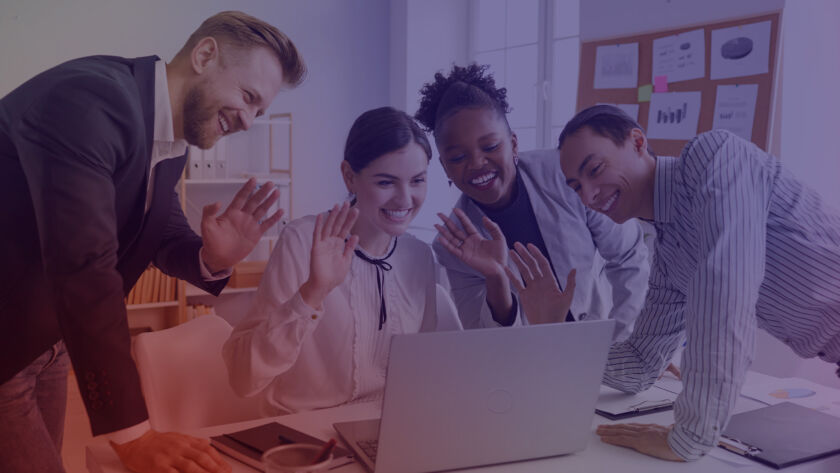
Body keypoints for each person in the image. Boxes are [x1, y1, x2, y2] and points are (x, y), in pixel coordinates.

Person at [0, 11, 306, 473]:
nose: (249, 121)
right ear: (205, 55)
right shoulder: (92, 100)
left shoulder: (170, 136)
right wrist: (134, 436)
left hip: (47, 339)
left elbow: (157, 228)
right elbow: (85, 266)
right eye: (248, 97)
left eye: (260, 111)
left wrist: (210, 257)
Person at [557, 104, 840, 461]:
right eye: (576, 187)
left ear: (637, 141)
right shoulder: (670, 258)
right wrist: (556, 348)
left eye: (595, 170)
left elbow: (724, 292)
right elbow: (641, 363)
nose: (588, 196)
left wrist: (690, 436)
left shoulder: (715, 157)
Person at [223, 107, 462, 414]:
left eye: (417, 181)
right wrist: (312, 293)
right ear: (349, 176)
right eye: (386, 182)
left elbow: (422, 367)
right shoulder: (301, 241)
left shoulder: (419, 256)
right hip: (304, 435)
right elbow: (243, 378)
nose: (405, 199)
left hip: (388, 428)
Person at [415, 64, 649, 339]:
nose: (477, 163)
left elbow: (628, 256)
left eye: (490, 147)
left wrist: (627, 345)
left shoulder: (567, 174)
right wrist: (496, 278)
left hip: (605, 342)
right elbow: (484, 343)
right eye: (457, 158)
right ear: (444, 167)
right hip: (531, 365)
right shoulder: (454, 245)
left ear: (514, 144)